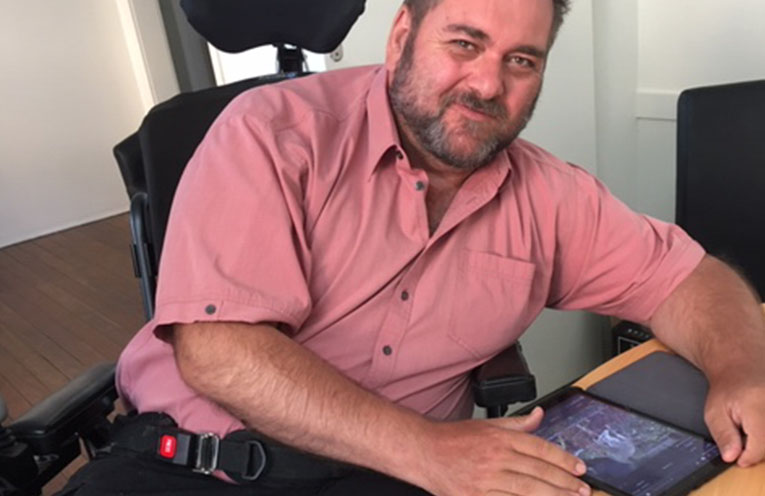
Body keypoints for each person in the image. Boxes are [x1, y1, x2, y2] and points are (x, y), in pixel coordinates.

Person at [58, 0, 765, 495]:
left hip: (388, 481)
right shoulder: (271, 133)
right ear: (401, 37)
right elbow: (220, 350)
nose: (487, 84)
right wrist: (428, 451)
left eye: (521, 60)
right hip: (190, 466)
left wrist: (741, 368)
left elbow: (686, 279)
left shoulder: (551, 195)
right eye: (464, 44)